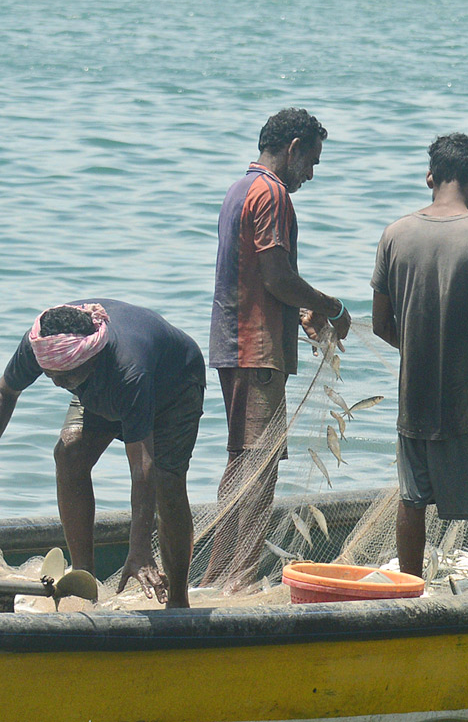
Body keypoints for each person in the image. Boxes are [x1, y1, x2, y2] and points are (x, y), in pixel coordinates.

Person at [203, 108, 351, 588]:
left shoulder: (238, 189)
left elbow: (260, 276)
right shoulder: (272, 193)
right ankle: (238, 578)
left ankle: (218, 572)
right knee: (258, 470)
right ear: (293, 148)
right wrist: (330, 307)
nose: (310, 174)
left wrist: (297, 312)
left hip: (234, 343)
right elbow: (277, 276)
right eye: (311, 161)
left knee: (242, 460)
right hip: (256, 348)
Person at [372, 133, 468, 592]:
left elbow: (381, 324)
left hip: (413, 400)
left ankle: (409, 599)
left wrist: (419, 349)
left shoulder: (394, 235)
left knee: (412, 500)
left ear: (430, 177)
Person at [0, 301, 205, 608]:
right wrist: (69, 379)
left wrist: (139, 549)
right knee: (69, 454)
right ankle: (84, 578)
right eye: (49, 376)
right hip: (99, 390)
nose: (56, 383)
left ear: (91, 358)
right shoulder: (42, 343)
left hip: (172, 389)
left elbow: (142, 466)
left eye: (64, 379)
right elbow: (6, 391)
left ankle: (178, 601)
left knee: (167, 482)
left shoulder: (128, 369)